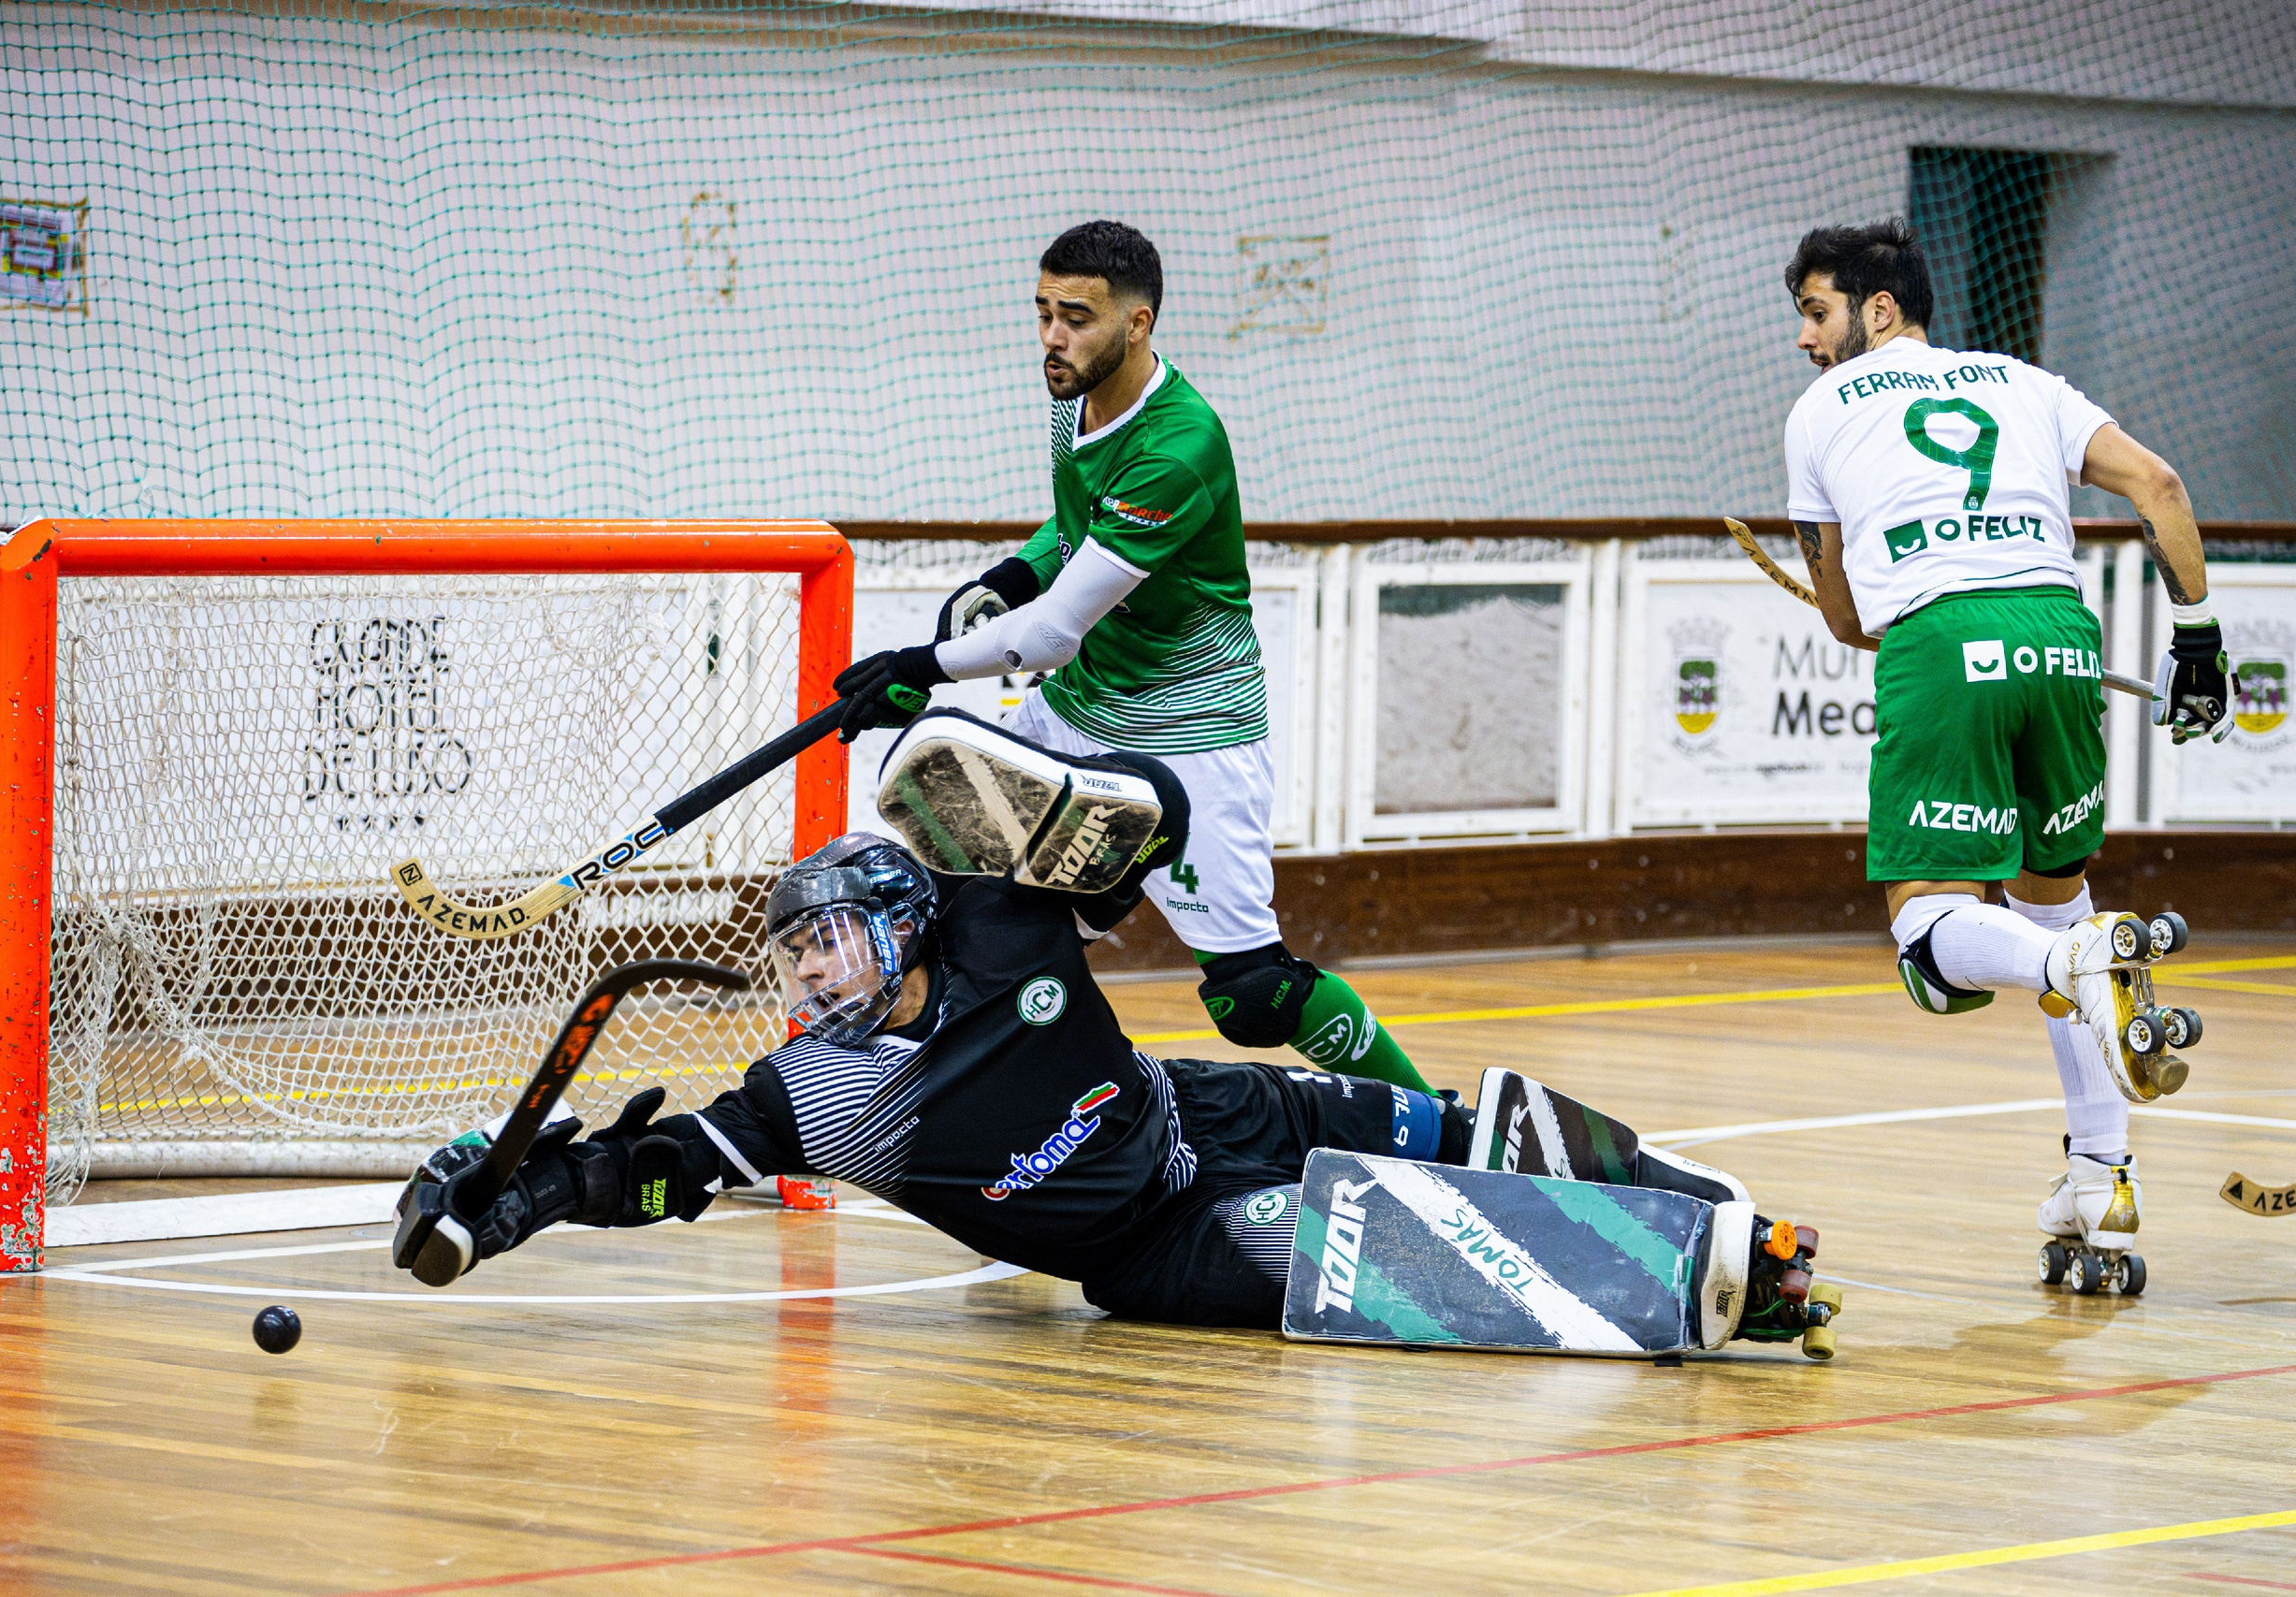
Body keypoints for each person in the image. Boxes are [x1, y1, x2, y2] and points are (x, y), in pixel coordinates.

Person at [400, 725, 1819, 1346]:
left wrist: (1041, 781)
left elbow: (1150, 816)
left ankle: (1715, 1213)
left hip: (1204, 1108)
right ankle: (1699, 1286)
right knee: (1371, 1228)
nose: (810, 964)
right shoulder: (809, 1093)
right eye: (795, 947)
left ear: (898, 918)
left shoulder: (995, 919)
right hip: (1148, 1242)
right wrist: (521, 1196)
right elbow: (661, 1166)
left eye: (828, 933)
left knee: (1458, 1121)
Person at [827, 218, 1431, 1096]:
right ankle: (881, 1095)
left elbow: (1048, 635)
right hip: (1079, 711)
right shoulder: (1077, 401)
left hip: (1190, 734)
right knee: (947, 908)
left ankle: (1432, 1117)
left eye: (1075, 317)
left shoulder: (1179, 446)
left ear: (1138, 323)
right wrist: (1013, 569)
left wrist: (920, 665)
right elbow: (1079, 529)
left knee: (1253, 997)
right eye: (1042, 312)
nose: (1051, 337)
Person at [1780, 220, 2229, 1292]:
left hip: (1941, 645)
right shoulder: (2030, 381)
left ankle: (2063, 969)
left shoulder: (1815, 414)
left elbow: (1847, 623)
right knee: (2059, 904)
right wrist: (2200, 643)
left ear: (1876, 310)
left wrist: (1892, 603)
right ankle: (2101, 1176)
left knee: (1928, 926)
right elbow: (2158, 486)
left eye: (1815, 311)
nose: (1803, 338)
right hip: (2062, 636)